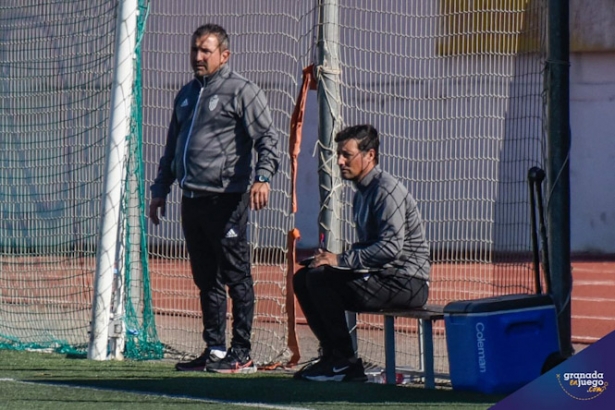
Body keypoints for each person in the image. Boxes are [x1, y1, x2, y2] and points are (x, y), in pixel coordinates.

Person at [149, 24, 279, 374]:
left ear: (225, 54)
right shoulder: (187, 94)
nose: (198, 57)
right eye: (194, 50)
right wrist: (160, 189)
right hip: (192, 200)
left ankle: (243, 350)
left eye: (205, 51)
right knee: (205, 278)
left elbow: (267, 138)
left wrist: (262, 178)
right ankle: (216, 350)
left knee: (236, 276)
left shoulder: (242, 91)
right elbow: (172, 149)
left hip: (227, 199)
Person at [293, 124, 430, 382]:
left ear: (370, 155)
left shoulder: (385, 191)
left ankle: (344, 362)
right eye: (339, 155)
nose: (341, 161)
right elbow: (370, 246)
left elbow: (390, 248)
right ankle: (333, 356)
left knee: (320, 279)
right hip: (385, 278)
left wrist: (341, 260)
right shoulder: (362, 192)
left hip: (407, 282)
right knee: (304, 277)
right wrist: (331, 260)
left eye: (347, 155)